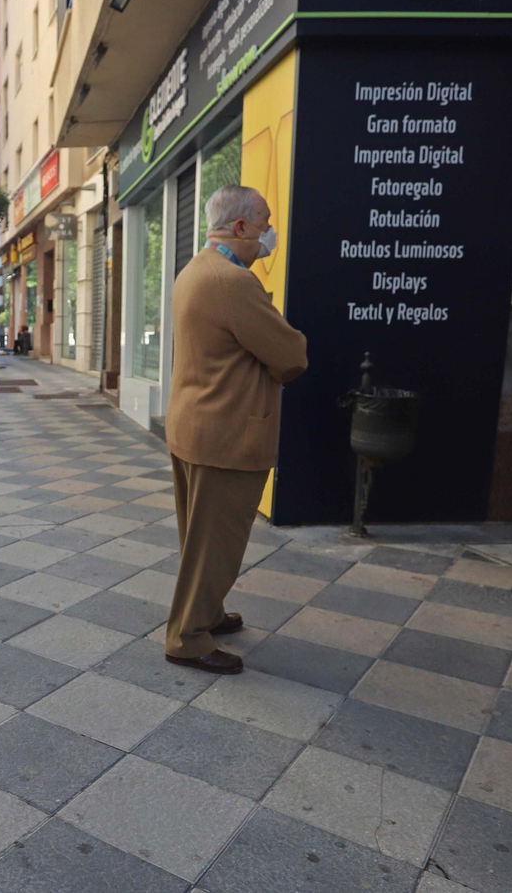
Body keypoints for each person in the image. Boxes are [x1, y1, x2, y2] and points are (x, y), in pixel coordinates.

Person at [164, 185, 306, 676]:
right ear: (240, 227)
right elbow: (291, 356)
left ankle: (209, 613)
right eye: (264, 222)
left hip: (194, 425)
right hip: (226, 433)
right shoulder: (234, 282)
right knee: (218, 541)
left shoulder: (195, 269)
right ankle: (187, 636)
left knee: (200, 537)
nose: (270, 232)